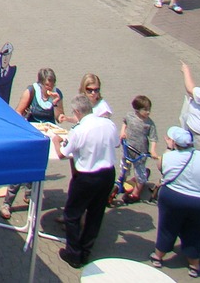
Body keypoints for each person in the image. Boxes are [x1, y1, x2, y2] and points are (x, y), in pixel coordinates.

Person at [54, 95, 119, 269]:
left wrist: (56, 141)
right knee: (95, 214)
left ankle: (73, 253)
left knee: (72, 214)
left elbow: (62, 153)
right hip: (107, 174)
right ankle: (86, 251)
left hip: (87, 177)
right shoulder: (109, 124)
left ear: (76, 112)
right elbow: (117, 143)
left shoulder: (79, 130)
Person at [149, 126, 200, 277]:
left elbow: (161, 167)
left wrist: (168, 148)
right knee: (198, 231)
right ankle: (194, 264)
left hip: (173, 198)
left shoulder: (167, 157)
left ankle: (158, 256)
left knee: (168, 226)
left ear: (174, 142)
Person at [1, 68, 63, 220]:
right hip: (30, 135)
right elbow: (17, 113)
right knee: (21, 168)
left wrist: (56, 104)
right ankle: (7, 203)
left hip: (45, 136)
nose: (50, 88)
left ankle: (29, 195)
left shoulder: (56, 94)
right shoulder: (31, 92)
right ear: (41, 83)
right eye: (47, 86)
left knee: (38, 167)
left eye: (52, 85)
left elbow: (59, 118)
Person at [119, 95, 159, 203]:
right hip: (128, 149)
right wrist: (122, 132)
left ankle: (135, 194)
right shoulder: (130, 116)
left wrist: (153, 150)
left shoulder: (149, 124)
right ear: (137, 109)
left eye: (149, 109)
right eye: (145, 110)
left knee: (139, 173)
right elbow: (125, 122)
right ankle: (121, 183)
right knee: (124, 168)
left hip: (140, 153)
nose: (148, 112)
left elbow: (153, 138)